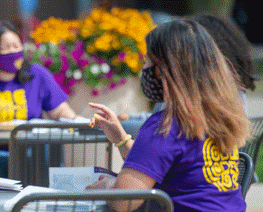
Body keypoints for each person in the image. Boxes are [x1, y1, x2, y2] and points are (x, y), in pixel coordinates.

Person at [86, 19, 249, 211]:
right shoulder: (217, 116)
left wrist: (107, 186)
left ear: (163, 72)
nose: (143, 70)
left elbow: (125, 201)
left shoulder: (165, 125)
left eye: (146, 61)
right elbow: (164, 167)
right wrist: (121, 139)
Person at [118, 12, 255, 122]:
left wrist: (121, 136)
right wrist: (132, 118)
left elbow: (167, 128)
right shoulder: (227, 92)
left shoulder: (193, 93)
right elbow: (165, 119)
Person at [0, 20, 77, 130]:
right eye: (6, 48)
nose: (13, 52)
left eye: (16, 46)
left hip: (32, 147)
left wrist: (73, 119)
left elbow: (59, 109)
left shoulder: (38, 74)